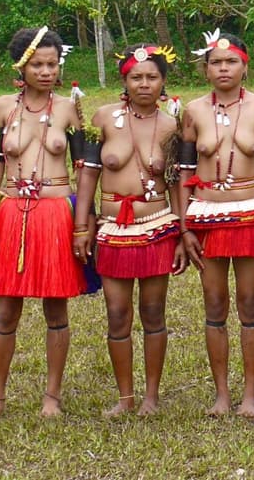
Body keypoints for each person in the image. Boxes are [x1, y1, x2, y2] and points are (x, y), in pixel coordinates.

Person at [73, 44, 188, 416]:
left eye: (152, 77)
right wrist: (82, 225)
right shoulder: (103, 118)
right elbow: (88, 173)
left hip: (156, 226)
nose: (144, 84)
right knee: (117, 313)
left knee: (154, 312)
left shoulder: (173, 126)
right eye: (136, 77)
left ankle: (151, 398)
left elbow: (176, 184)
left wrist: (184, 233)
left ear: (163, 82)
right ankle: (125, 398)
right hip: (111, 229)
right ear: (125, 80)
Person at [0, 26, 84, 419]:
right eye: (37, 64)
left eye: (52, 64)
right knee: (7, 310)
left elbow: (82, 170)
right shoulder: (2, 108)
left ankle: (52, 397)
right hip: (11, 214)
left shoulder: (70, 110)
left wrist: (83, 221)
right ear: (21, 67)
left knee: (56, 310)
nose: (46, 71)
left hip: (56, 213)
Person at [178, 29, 254, 418]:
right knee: (214, 303)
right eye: (216, 63)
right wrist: (185, 227)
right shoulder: (192, 112)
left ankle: (250, 396)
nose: (224, 68)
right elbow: (184, 172)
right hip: (207, 215)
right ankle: (222, 394)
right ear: (205, 69)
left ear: (245, 65)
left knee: (249, 302)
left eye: (231, 62)